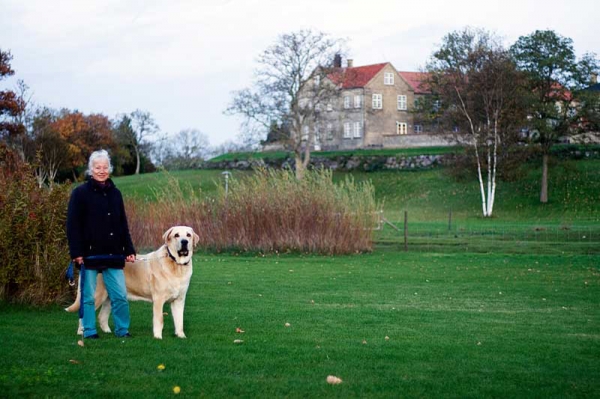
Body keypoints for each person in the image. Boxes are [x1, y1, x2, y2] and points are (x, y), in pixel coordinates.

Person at [67, 149, 136, 339]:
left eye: (105, 167)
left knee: (120, 296)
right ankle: (89, 330)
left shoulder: (116, 194)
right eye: (97, 167)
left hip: (113, 254)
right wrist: (77, 252)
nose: (101, 170)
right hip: (89, 254)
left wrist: (129, 249)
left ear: (109, 169)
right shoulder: (80, 193)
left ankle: (122, 330)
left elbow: (123, 225)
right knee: (88, 297)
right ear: (91, 169)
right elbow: (72, 226)